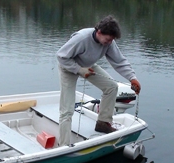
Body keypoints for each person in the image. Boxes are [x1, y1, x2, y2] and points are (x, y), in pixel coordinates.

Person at [56, 15, 141, 146]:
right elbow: (61, 56)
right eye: (107, 39)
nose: (109, 42)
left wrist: (132, 78)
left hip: (88, 66)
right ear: (99, 32)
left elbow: (119, 61)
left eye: (111, 40)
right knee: (67, 110)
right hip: (69, 67)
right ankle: (63, 146)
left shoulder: (109, 42)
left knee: (112, 87)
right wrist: (78, 69)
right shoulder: (82, 38)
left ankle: (103, 123)